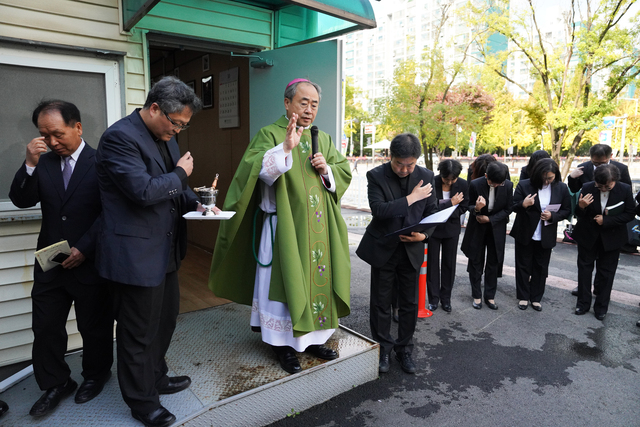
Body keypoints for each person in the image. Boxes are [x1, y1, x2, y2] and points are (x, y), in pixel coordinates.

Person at [209, 79, 352, 375]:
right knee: (284, 287)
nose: (309, 109)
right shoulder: (269, 134)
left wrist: (327, 171)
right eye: (303, 102)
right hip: (281, 230)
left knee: (314, 285)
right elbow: (255, 173)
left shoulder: (322, 139)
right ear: (287, 103)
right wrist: (285, 149)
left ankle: (312, 340)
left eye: (314, 104)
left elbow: (342, 173)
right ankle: (282, 345)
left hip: (316, 232)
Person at [96, 76, 206, 427]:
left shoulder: (166, 137)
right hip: (135, 254)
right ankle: (142, 402)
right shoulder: (119, 138)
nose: (178, 132)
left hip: (166, 250)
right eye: (177, 124)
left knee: (165, 320)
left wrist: (199, 203)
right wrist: (179, 173)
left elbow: (176, 189)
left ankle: (156, 377)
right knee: (137, 332)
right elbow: (143, 191)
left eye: (184, 126)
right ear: (154, 108)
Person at [9, 100, 113, 417]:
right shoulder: (43, 162)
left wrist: (85, 247)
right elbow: (21, 199)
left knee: (93, 325)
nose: (52, 142)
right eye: (45, 135)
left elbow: (111, 212)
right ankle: (57, 383)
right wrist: (29, 162)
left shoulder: (103, 162)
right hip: (51, 262)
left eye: (57, 134)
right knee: (45, 327)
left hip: (90, 259)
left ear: (77, 127)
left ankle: (96, 375)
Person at [356, 133, 437, 374]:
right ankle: (383, 349)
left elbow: (432, 213)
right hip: (384, 248)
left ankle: (405, 350)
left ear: (417, 161)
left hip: (411, 249)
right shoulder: (376, 175)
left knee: (410, 303)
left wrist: (424, 236)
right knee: (381, 303)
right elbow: (379, 210)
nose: (404, 169)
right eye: (399, 164)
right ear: (390, 157)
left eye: (409, 165)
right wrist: (412, 198)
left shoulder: (427, 176)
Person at [567, 143, 633, 294]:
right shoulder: (584, 168)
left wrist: (609, 218)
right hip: (588, 222)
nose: (596, 166)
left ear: (610, 157)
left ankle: (599, 289)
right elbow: (575, 189)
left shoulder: (621, 169)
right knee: (585, 265)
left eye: (601, 163)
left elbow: (626, 198)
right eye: (594, 162)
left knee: (605, 267)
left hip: (610, 226)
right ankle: (583, 292)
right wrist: (572, 177)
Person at [572, 164, 635, 321]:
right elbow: (578, 213)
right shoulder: (587, 187)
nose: (603, 189)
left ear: (614, 180)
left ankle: (601, 307)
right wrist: (581, 207)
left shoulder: (624, 189)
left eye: (607, 186)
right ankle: (582, 303)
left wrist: (606, 220)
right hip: (588, 235)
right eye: (600, 186)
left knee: (606, 273)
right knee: (584, 270)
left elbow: (629, 214)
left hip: (612, 236)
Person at [510, 159, 571, 311]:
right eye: (544, 177)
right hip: (525, 231)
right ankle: (523, 297)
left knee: (541, 267)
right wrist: (523, 204)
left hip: (546, 233)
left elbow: (567, 210)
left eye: (550, 177)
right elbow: (513, 205)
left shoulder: (561, 188)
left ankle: (536, 298)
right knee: (523, 265)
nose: (547, 180)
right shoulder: (525, 184)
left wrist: (553, 216)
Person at [461, 162, 513, 310]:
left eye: (499, 183)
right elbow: (468, 205)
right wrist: (477, 209)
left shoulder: (507, 186)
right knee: (476, 261)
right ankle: (476, 295)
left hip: (496, 227)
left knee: (493, 261)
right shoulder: (476, 184)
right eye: (493, 183)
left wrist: (490, 219)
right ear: (486, 176)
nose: (496, 185)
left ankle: (490, 296)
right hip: (477, 227)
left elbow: (509, 208)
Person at [427, 159, 469, 313]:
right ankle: (433, 299)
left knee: (449, 264)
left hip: (451, 228)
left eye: (453, 179)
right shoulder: (432, 182)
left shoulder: (463, 184)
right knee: (432, 264)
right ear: (441, 174)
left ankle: (446, 299)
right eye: (447, 179)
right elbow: (430, 206)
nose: (450, 182)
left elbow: (464, 206)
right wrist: (450, 203)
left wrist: (449, 211)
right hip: (433, 228)